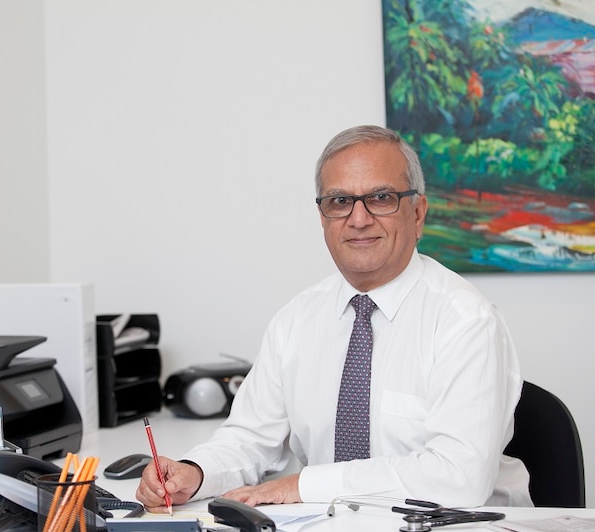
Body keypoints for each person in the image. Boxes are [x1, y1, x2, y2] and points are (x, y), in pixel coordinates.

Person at [136, 125, 531, 511]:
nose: (358, 219)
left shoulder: (465, 321)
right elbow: (252, 437)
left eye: (380, 197)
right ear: (323, 217)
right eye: (339, 202)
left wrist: (306, 485)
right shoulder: (296, 320)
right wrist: (195, 471)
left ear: (418, 212)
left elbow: (458, 477)